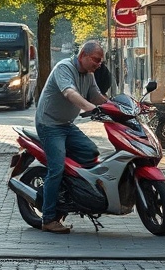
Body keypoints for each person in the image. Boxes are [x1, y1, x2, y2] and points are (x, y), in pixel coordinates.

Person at [34, 40, 109, 234]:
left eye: (101, 61)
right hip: (49, 125)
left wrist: (119, 107)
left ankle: (72, 191)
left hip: (66, 125)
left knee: (91, 151)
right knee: (56, 168)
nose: (99, 64)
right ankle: (48, 218)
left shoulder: (89, 74)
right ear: (83, 55)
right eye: (96, 60)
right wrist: (89, 108)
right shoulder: (64, 68)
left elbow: (97, 96)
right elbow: (69, 93)